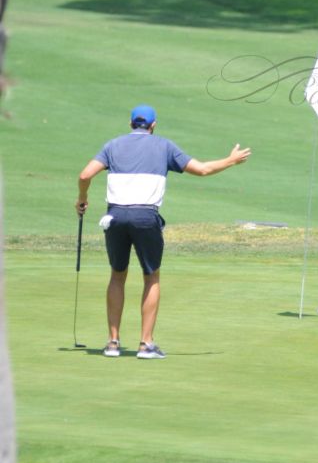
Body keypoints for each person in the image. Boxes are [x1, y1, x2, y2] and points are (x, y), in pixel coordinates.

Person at [76, 104, 251, 360]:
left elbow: (84, 175)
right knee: (151, 277)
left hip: (114, 217)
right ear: (153, 125)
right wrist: (230, 161)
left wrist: (82, 198)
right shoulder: (164, 146)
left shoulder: (112, 145)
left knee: (117, 275)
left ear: (130, 124)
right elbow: (202, 169)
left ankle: (113, 343)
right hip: (146, 217)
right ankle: (146, 344)